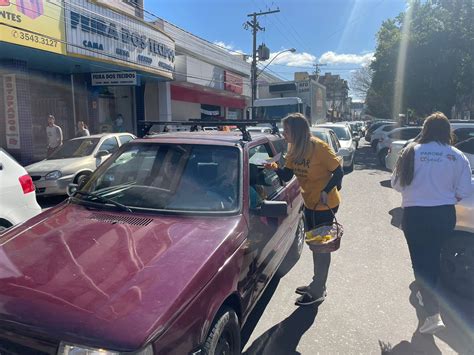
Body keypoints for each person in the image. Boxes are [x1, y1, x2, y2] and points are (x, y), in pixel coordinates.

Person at [391, 112, 472, 334]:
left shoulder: (410, 152)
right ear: (448, 132)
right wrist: (446, 197)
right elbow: (465, 191)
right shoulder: (456, 155)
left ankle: (432, 314)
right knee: (434, 256)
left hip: (415, 215)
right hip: (444, 215)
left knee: (420, 261)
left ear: (424, 129)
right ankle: (428, 299)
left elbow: (396, 184)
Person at [265, 113, 344, 306]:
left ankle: (318, 290)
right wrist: (273, 167)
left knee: (321, 249)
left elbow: (338, 171)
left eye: (287, 130)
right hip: (309, 203)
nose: (284, 134)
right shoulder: (294, 150)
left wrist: (326, 190)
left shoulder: (319, 147)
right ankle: (317, 283)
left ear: (297, 131)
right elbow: (287, 174)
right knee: (315, 246)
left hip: (326, 204)